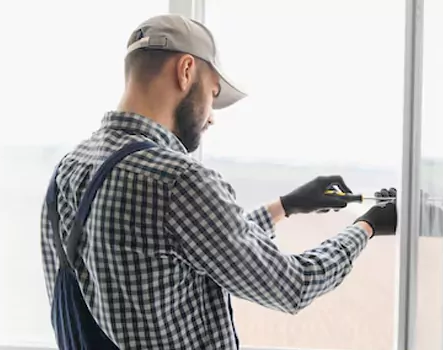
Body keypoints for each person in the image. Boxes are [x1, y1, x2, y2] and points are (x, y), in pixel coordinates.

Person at [40, 14, 398, 350]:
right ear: (185, 71)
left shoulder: (68, 173)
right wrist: (366, 226)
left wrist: (284, 206)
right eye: (212, 94)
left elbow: (185, 248)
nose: (211, 118)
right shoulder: (177, 180)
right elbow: (292, 285)